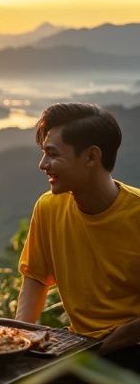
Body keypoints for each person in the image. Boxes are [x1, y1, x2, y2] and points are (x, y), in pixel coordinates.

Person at [16, 102, 140, 359]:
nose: (43, 164)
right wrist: (20, 337)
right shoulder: (49, 207)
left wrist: (117, 341)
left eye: (52, 154)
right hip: (79, 344)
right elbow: (36, 277)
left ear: (91, 157)